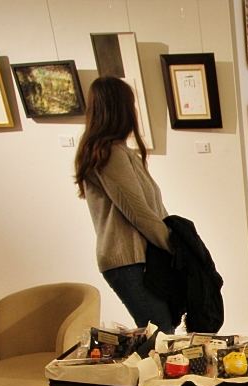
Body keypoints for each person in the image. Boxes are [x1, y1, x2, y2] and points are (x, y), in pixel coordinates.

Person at [74, 77, 174, 332]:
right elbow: (138, 212)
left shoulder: (119, 152)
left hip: (136, 260)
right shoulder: (110, 154)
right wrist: (175, 245)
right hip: (128, 261)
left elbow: (150, 209)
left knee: (160, 332)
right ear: (121, 108)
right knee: (160, 334)